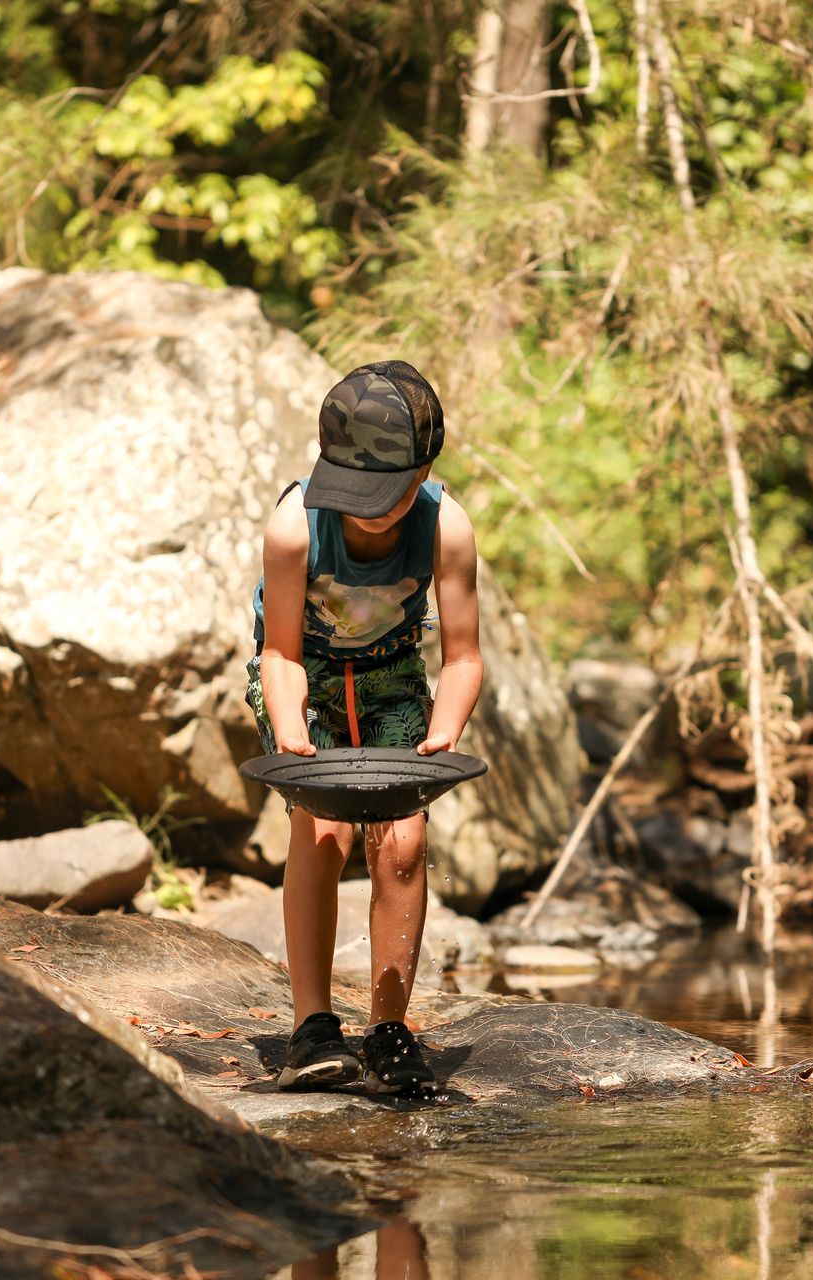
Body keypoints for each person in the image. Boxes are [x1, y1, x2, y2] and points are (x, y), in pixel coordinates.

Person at [246, 359, 484, 1096]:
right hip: (304, 676)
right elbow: (279, 653)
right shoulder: (296, 527)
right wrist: (292, 735)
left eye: (386, 496)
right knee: (322, 831)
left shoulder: (446, 527)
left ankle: (388, 1032)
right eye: (356, 495)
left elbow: (465, 657)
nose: (370, 512)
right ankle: (313, 1029)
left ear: (425, 468)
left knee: (403, 841)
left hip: (390, 676)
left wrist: (442, 734)